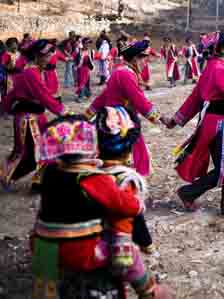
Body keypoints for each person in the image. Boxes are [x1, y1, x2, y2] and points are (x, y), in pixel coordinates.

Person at [32, 115, 171, 299]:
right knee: (126, 251)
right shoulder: (92, 179)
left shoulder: (50, 173)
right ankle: (149, 291)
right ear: (90, 149)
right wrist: (137, 205)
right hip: (79, 251)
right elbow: (120, 203)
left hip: (42, 245)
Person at [162, 31, 224, 216]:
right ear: (220, 49)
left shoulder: (211, 68)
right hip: (220, 125)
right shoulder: (220, 69)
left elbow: (194, 99)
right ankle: (188, 193)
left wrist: (177, 119)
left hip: (215, 123)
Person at [85, 40, 163, 177]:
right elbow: (139, 100)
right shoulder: (125, 74)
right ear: (135, 58)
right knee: (132, 151)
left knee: (131, 149)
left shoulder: (122, 72)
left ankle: (134, 176)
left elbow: (104, 96)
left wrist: (88, 114)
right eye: (144, 58)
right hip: (121, 120)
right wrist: (161, 118)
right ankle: (136, 178)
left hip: (118, 118)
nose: (146, 62)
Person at [0, 39, 66, 191]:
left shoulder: (35, 70)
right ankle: (7, 176)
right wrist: (62, 112)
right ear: (37, 55)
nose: (49, 58)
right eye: (46, 55)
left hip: (35, 116)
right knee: (27, 153)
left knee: (43, 149)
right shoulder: (31, 72)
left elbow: (15, 94)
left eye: (50, 55)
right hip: (28, 119)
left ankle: (38, 181)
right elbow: (43, 96)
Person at [96, 106, 156, 263]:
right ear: (128, 151)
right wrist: (147, 243)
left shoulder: (90, 173)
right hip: (111, 248)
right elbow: (135, 214)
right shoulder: (125, 179)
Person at [75, 38, 95, 103]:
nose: (88, 45)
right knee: (82, 83)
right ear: (83, 44)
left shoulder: (91, 51)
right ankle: (81, 96)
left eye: (89, 43)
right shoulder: (79, 51)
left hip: (87, 69)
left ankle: (87, 93)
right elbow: (76, 60)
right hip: (81, 69)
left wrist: (91, 67)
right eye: (87, 43)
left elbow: (92, 60)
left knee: (86, 82)